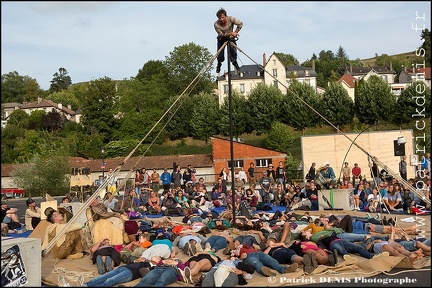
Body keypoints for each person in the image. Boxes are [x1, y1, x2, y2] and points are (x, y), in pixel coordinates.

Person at [214, 7, 243, 73]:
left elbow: (240, 24)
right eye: (219, 18)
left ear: (226, 16)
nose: (221, 19)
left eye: (222, 17)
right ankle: (219, 63)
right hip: (221, 39)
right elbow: (221, 34)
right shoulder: (216, 24)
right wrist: (231, 33)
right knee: (220, 53)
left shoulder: (231, 19)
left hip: (230, 37)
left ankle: (234, 62)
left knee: (233, 50)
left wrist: (235, 32)